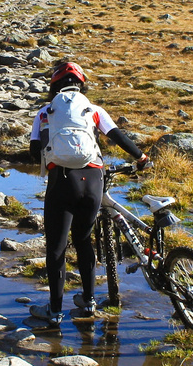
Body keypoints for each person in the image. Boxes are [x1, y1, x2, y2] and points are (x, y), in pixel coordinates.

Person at [28, 60, 148, 324]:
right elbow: (117, 136)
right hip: (93, 178)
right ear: (81, 84)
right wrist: (141, 157)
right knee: (84, 241)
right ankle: (89, 301)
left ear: (54, 85)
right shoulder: (93, 109)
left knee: (57, 249)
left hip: (62, 181)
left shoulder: (45, 112)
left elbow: (34, 151)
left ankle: (55, 311)